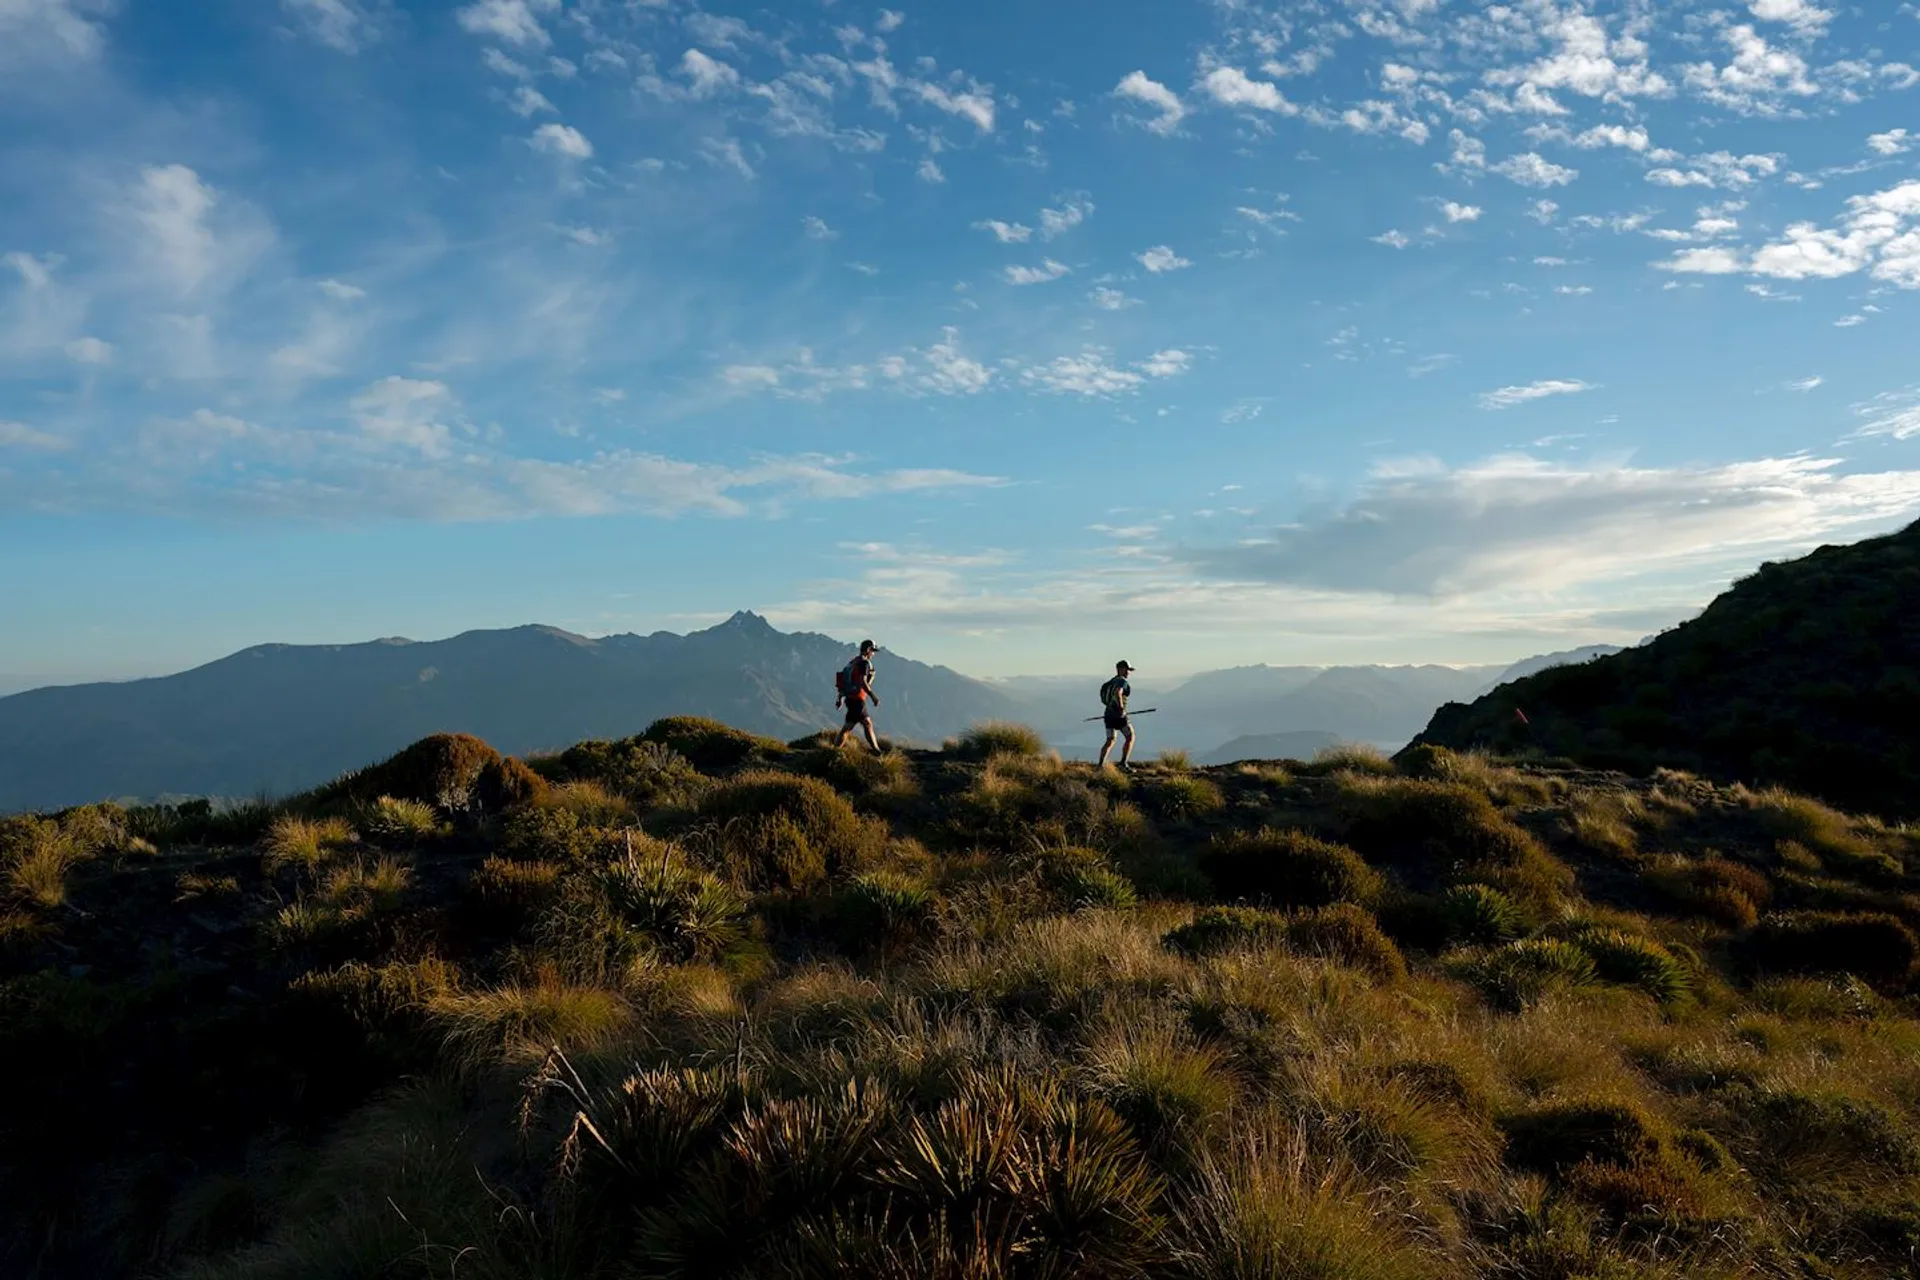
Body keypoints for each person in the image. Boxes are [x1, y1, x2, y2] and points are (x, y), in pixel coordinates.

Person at [833, 639, 883, 754]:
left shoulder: (853, 662)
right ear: (868, 650)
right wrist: (873, 697)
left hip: (851, 698)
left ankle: (876, 750)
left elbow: (844, 679)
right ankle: (835, 751)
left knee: (866, 723)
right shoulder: (864, 663)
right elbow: (863, 682)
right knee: (848, 727)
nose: (873, 654)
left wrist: (840, 698)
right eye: (873, 651)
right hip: (857, 699)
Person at [1096, 660, 1136, 771]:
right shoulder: (1122, 681)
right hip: (1119, 715)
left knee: (1110, 739)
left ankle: (1100, 765)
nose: (1128, 672)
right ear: (1120, 669)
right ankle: (1123, 764)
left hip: (1108, 714)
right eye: (1127, 669)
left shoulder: (1110, 682)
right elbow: (1118, 692)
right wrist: (1122, 709)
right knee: (1130, 736)